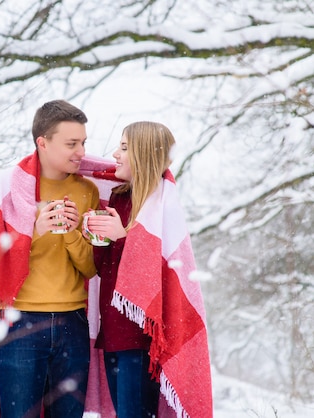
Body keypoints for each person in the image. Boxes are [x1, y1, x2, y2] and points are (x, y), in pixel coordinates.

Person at [0, 100, 100, 418]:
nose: (80, 151)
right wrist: (32, 233)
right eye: (71, 143)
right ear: (43, 143)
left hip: (71, 324)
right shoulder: (5, 187)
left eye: (84, 142)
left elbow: (90, 267)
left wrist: (73, 231)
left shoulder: (87, 190)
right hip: (18, 322)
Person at [83, 121, 213, 418]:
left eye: (125, 148)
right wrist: (97, 237)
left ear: (143, 155)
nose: (115, 154)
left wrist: (124, 236)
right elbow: (105, 269)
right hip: (113, 331)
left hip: (144, 341)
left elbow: (159, 273)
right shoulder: (119, 198)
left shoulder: (162, 204)